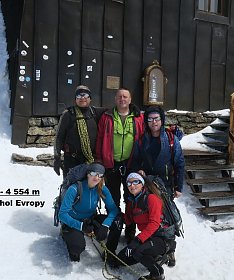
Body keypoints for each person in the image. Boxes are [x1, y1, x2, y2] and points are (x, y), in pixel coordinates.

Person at [131, 105, 185, 266]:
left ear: (161, 120)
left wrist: (179, 187)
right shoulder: (142, 140)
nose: (153, 122)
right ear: (146, 121)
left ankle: (170, 249)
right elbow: (135, 160)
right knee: (153, 216)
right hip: (147, 184)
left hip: (166, 184)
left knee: (167, 216)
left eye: (156, 118)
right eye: (150, 119)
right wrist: (137, 170)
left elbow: (180, 163)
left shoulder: (170, 139)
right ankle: (157, 246)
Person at [95, 88, 144, 241]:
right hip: (111, 165)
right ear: (116, 99)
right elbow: (100, 138)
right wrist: (98, 159)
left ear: (130, 99)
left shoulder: (138, 117)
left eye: (125, 96)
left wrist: (141, 163)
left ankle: (130, 231)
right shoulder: (107, 117)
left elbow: (143, 140)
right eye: (120, 96)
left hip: (131, 165)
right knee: (112, 199)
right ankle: (115, 228)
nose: (122, 99)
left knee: (131, 199)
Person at [116, 173, 176, 280]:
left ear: (142, 184)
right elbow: (129, 221)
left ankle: (158, 275)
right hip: (148, 237)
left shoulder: (152, 198)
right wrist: (119, 217)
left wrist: (137, 240)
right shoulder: (132, 201)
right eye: (129, 183)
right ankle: (157, 256)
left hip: (161, 237)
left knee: (138, 251)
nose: (132, 185)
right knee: (122, 260)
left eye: (135, 182)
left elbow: (154, 223)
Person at [58, 163, 123, 263]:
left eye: (100, 175)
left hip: (90, 219)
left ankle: (110, 251)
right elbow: (62, 214)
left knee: (117, 220)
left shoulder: (101, 188)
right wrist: (81, 226)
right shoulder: (74, 189)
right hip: (73, 221)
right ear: (88, 174)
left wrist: (106, 225)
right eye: (94, 173)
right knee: (78, 247)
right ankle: (67, 235)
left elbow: (114, 210)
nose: (97, 178)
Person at [54, 85, 106, 178]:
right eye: (79, 96)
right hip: (72, 161)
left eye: (85, 95)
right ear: (75, 99)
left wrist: (131, 107)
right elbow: (59, 137)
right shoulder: (68, 114)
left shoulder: (94, 112)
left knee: (89, 189)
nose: (82, 98)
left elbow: (116, 110)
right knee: (71, 190)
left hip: (91, 160)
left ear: (90, 98)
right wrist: (57, 157)